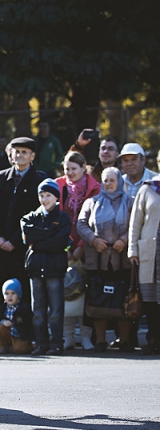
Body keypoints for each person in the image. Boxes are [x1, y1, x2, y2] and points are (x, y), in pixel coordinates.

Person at [0, 136, 44, 351]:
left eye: (25, 152)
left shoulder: (39, 181)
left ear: (32, 156)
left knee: (23, 295)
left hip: (22, 250)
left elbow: (37, 215)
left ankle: (24, 340)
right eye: (16, 151)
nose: (20, 155)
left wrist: (15, 241)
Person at [76, 167, 134, 352]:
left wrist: (124, 240)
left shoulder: (130, 202)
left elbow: (135, 224)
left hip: (122, 260)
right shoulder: (92, 202)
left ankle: (124, 340)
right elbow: (81, 223)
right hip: (98, 260)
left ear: (119, 182)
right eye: (105, 180)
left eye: (112, 180)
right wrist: (94, 240)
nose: (108, 184)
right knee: (98, 300)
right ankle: (100, 340)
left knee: (123, 300)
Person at [21, 178, 72, 356]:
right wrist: (49, 235)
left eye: (48, 195)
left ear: (56, 197)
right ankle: (42, 343)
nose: (44, 199)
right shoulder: (31, 217)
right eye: (41, 195)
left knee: (56, 310)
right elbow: (27, 236)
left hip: (54, 269)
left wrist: (39, 240)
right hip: (35, 268)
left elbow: (60, 242)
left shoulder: (63, 218)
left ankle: (57, 343)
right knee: (38, 311)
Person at [55, 151, 100, 350]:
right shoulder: (58, 186)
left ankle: (86, 335)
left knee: (86, 292)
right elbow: (56, 220)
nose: (70, 173)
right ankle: (68, 337)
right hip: (63, 246)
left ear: (84, 168)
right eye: (67, 169)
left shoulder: (95, 189)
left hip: (87, 247)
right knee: (67, 291)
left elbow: (94, 221)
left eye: (74, 169)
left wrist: (81, 247)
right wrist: (66, 247)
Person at [128, 174, 160, 355]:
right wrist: (132, 250)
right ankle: (153, 339)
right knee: (149, 297)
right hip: (151, 248)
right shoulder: (148, 188)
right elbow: (135, 222)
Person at [0, 279, 33, 355]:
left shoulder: (24, 307)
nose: (10, 296)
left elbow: (29, 325)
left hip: (20, 335)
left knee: (19, 350)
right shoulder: (3, 307)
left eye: (13, 293)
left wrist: (32, 340)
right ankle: (4, 347)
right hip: (9, 332)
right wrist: (3, 322)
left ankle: (26, 346)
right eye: (7, 293)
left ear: (19, 295)